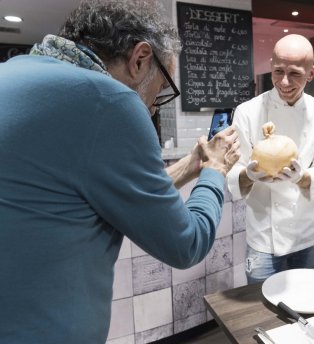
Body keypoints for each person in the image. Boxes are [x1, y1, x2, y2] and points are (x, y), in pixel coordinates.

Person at [0, 1, 240, 343]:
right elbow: (186, 244)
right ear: (140, 58)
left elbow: (117, 196)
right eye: (160, 90)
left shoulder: (14, 71)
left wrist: (192, 164)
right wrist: (215, 170)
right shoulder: (108, 102)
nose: (154, 107)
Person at [227, 34, 314, 284]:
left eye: (296, 74)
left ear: (311, 73)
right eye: (278, 71)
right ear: (271, 66)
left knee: (307, 302)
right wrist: (249, 175)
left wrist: (302, 177)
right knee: (260, 309)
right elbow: (233, 171)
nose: (284, 82)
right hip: (263, 239)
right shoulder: (247, 112)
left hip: (307, 236)